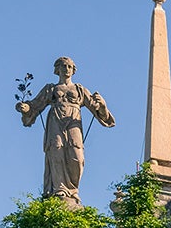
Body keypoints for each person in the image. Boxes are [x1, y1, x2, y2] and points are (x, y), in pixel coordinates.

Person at [15, 56, 116, 207]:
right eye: (63, 66)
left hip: (73, 123)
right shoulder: (51, 88)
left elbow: (97, 110)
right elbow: (36, 105)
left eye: (69, 66)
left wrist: (102, 105)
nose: (67, 69)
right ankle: (59, 189)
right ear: (57, 70)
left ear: (73, 70)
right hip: (55, 121)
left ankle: (73, 190)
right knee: (56, 153)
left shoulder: (80, 90)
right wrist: (25, 108)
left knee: (77, 157)